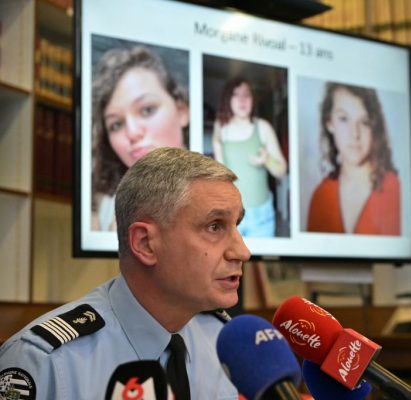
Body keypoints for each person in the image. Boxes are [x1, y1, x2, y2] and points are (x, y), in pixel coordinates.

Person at [0, 147, 251, 399]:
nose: (242, 251)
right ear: (145, 243)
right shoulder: (43, 363)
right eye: (214, 226)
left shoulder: (223, 339)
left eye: (237, 225)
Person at [91, 45, 190, 231]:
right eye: (116, 124)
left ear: (182, 111)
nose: (132, 133)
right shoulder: (100, 212)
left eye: (147, 110)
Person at [306, 82, 401, 235]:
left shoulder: (394, 188)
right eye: (344, 119)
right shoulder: (320, 196)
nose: (354, 134)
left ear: (374, 126)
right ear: (329, 123)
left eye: (364, 122)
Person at [212, 76, 287, 237]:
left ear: (252, 99)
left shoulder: (263, 127)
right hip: (230, 216)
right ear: (228, 99)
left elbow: (281, 171)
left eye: (246, 94)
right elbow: (219, 176)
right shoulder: (221, 127)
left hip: (262, 217)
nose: (242, 99)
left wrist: (267, 160)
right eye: (236, 94)